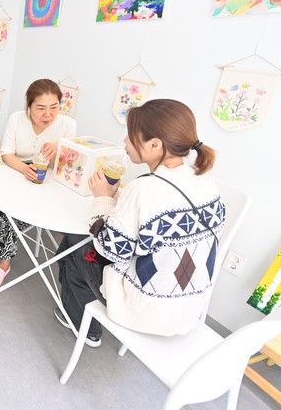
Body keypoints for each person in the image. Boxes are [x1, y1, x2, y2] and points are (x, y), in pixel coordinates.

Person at [56, 99, 226, 348]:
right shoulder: (204, 181)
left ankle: (84, 325)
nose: (125, 140)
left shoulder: (143, 188)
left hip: (146, 310)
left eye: (131, 134)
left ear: (155, 144)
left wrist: (103, 199)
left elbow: (112, 250)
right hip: (188, 308)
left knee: (73, 245)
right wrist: (120, 198)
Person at [0, 79, 76, 288]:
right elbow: (6, 154)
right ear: (29, 106)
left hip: (46, 181)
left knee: (11, 211)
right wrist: (25, 169)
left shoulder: (67, 125)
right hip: (15, 170)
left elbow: (67, 167)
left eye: (54, 107)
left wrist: (57, 152)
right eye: (41, 108)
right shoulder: (17, 119)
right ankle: (3, 261)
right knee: (5, 203)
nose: (48, 114)